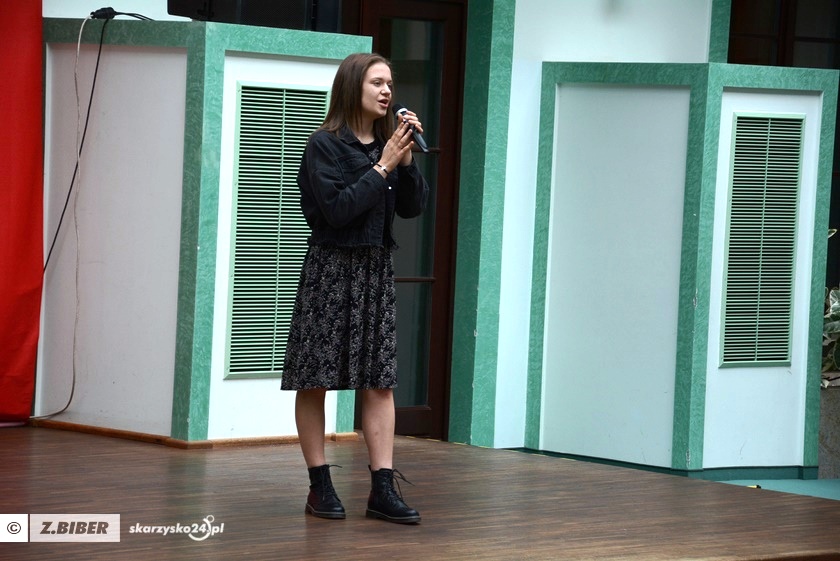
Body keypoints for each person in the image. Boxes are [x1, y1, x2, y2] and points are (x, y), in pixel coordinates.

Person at [281, 52, 429, 525]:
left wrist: (406, 162)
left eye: (390, 84)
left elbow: (413, 208)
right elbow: (338, 211)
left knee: (380, 381)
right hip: (330, 270)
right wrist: (382, 167)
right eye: (377, 83)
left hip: (375, 271)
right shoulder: (323, 146)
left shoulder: (388, 146)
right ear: (352, 88)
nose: (387, 92)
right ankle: (320, 486)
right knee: (315, 379)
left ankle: (381, 489)